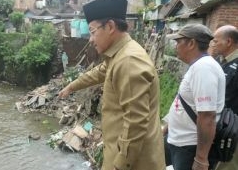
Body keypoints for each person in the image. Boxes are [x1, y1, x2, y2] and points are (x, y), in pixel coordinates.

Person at [58, 0, 165, 170]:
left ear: (110, 26)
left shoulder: (128, 61)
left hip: (133, 163)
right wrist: (71, 86)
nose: (91, 39)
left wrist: (120, 165)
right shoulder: (119, 55)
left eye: (93, 32)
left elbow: (135, 123)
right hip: (120, 153)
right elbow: (99, 72)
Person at [163, 24, 226, 170]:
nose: (176, 46)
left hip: (189, 146)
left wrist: (201, 158)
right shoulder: (198, 66)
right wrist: (167, 128)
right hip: (179, 140)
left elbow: (207, 116)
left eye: (178, 42)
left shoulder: (204, 68)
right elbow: (185, 102)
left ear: (191, 43)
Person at [211, 25, 238, 170]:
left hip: (232, 130)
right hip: (221, 126)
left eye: (216, 41)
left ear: (228, 42)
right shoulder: (222, 61)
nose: (213, 44)